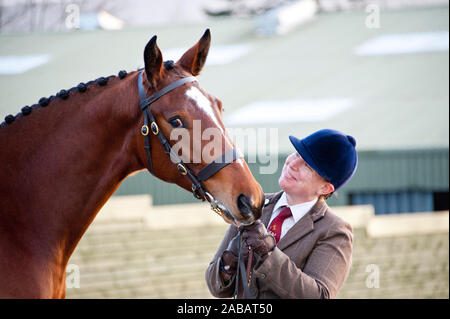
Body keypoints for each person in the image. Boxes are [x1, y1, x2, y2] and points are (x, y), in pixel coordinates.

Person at [205, 129, 358, 299]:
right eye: (297, 154)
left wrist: (268, 254)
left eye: (307, 165)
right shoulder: (254, 204)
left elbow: (319, 295)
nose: (292, 163)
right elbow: (215, 287)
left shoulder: (334, 231)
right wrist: (229, 260)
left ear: (325, 188)